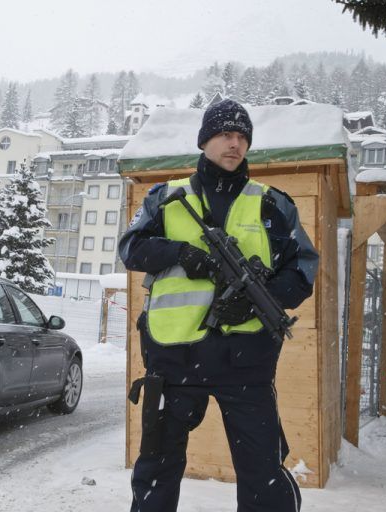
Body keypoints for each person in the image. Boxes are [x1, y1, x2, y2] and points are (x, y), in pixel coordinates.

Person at [119, 99, 318, 512]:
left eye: (243, 136)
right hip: (173, 361)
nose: (235, 143)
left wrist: (257, 304)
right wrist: (179, 253)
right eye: (226, 134)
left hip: (246, 363)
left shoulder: (272, 204)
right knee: (156, 470)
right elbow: (131, 248)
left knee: (263, 475)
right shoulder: (166, 197)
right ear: (205, 140)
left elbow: (302, 270)